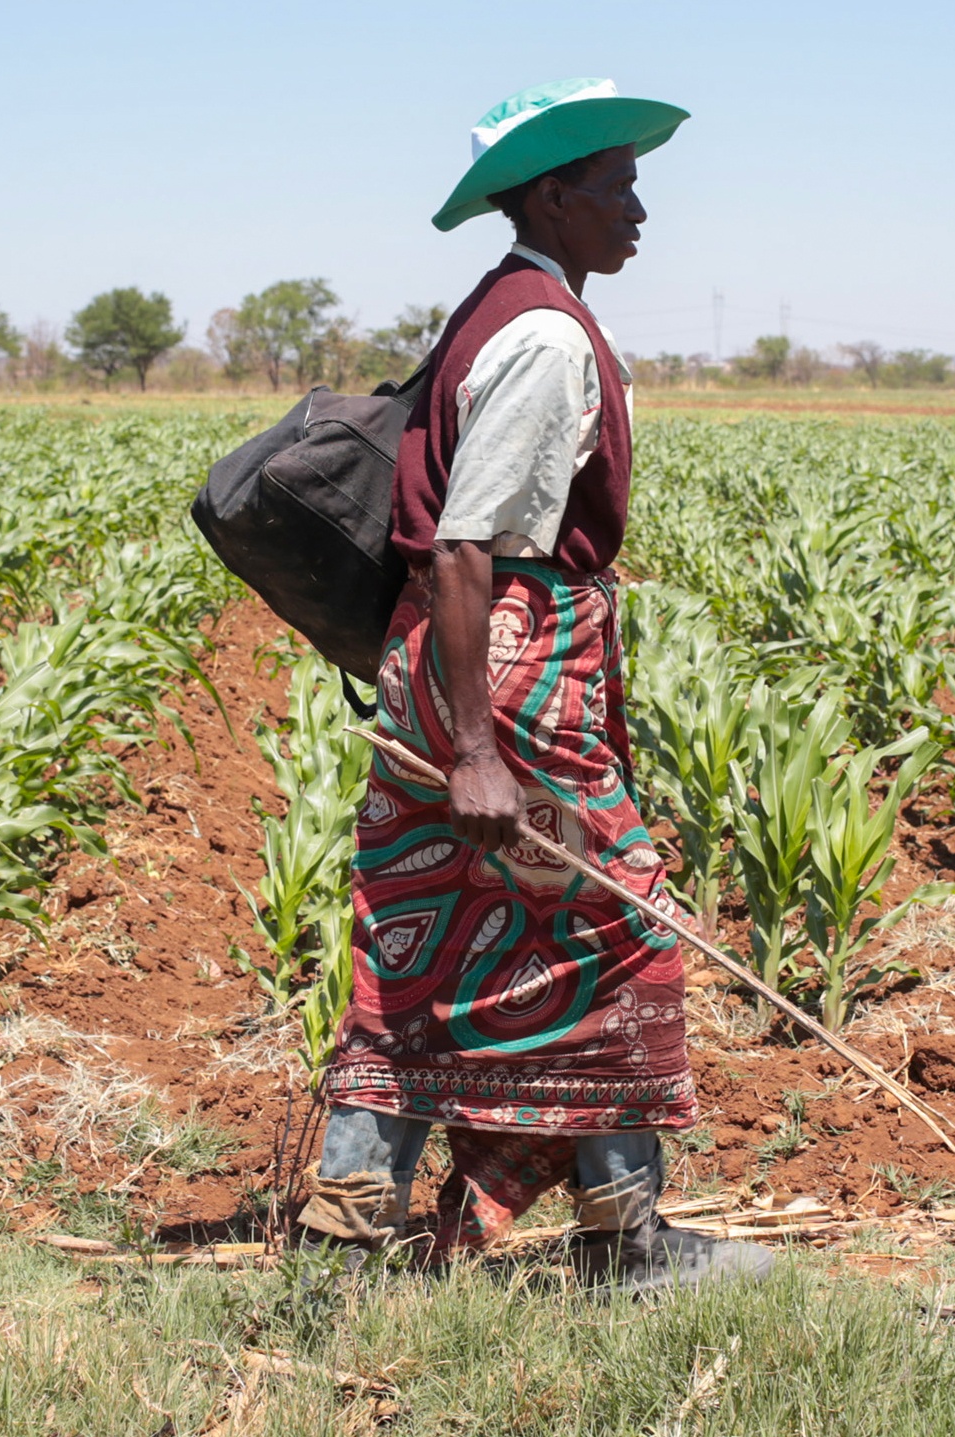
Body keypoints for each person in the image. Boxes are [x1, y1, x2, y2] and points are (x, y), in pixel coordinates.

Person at [297, 78, 771, 1293]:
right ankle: (626, 1243)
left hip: (460, 679)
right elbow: (465, 544)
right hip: (502, 683)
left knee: (423, 941)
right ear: (554, 196)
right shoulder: (548, 334)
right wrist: (476, 750)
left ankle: (350, 1237)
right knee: (623, 925)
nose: (641, 211)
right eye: (619, 187)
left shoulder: (505, 308)